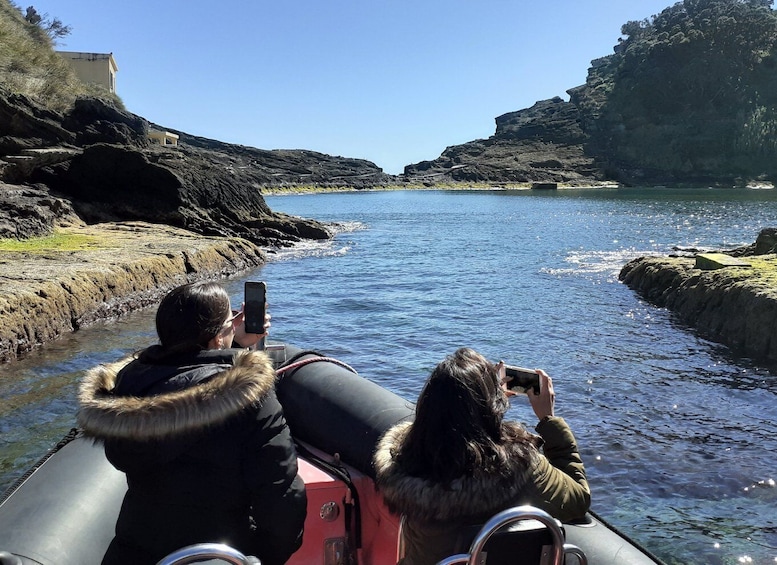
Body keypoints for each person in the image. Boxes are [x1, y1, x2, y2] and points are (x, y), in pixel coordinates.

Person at [77, 280, 307, 565]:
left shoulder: (127, 388)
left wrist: (233, 343)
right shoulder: (249, 399)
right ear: (216, 336)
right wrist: (262, 557)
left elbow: (185, 375)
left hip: (133, 551)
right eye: (229, 322)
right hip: (216, 554)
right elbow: (282, 496)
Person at [372, 347, 590, 565]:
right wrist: (548, 420)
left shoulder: (406, 468)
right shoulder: (524, 469)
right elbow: (579, 497)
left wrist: (485, 402)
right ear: (493, 404)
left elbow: (448, 432)